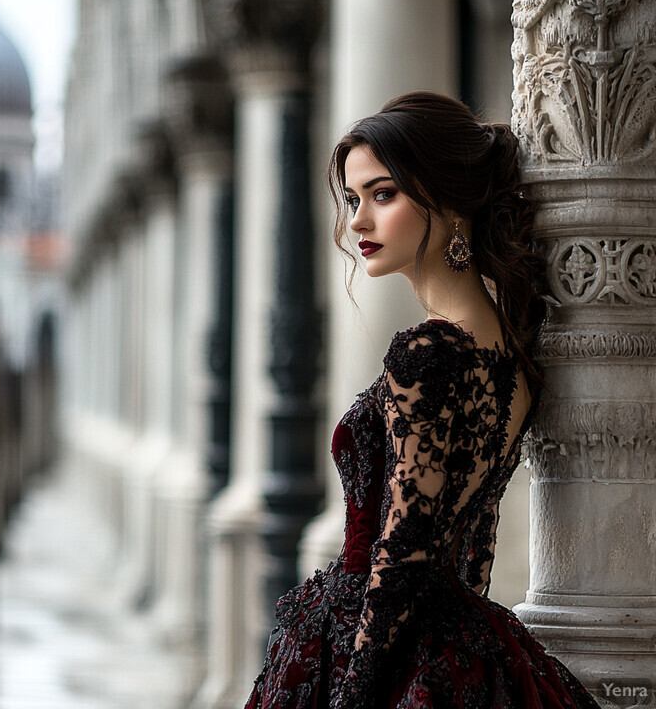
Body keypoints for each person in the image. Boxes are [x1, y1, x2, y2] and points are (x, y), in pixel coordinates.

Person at [244, 92, 602, 709]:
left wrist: (353, 695)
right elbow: (472, 541)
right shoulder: (511, 354)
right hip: (455, 638)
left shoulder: (425, 353)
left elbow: (402, 546)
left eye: (383, 195)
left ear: (448, 199)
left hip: (379, 638)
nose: (357, 221)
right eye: (354, 199)